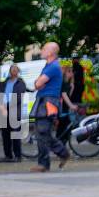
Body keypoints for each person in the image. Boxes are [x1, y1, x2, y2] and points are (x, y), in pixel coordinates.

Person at [30, 41, 70, 173]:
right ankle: (57, 156)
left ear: (51, 52)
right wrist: (39, 83)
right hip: (45, 101)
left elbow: (38, 83)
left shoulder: (52, 67)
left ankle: (48, 161)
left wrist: (39, 83)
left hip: (47, 102)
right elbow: (39, 83)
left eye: (44, 48)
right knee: (42, 133)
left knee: (43, 132)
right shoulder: (49, 65)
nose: (41, 50)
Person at [0, 63, 27, 162]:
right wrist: (1, 104)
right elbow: (0, 93)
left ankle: (18, 155)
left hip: (14, 111)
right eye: (12, 70)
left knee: (15, 134)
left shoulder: (20, 83)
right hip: (3, 110)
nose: (14, 72)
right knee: (5, 135)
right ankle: (8, 155)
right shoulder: (5, 82)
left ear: (18, 71)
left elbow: (18, 97)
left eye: (15, 70)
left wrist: (7, 105)